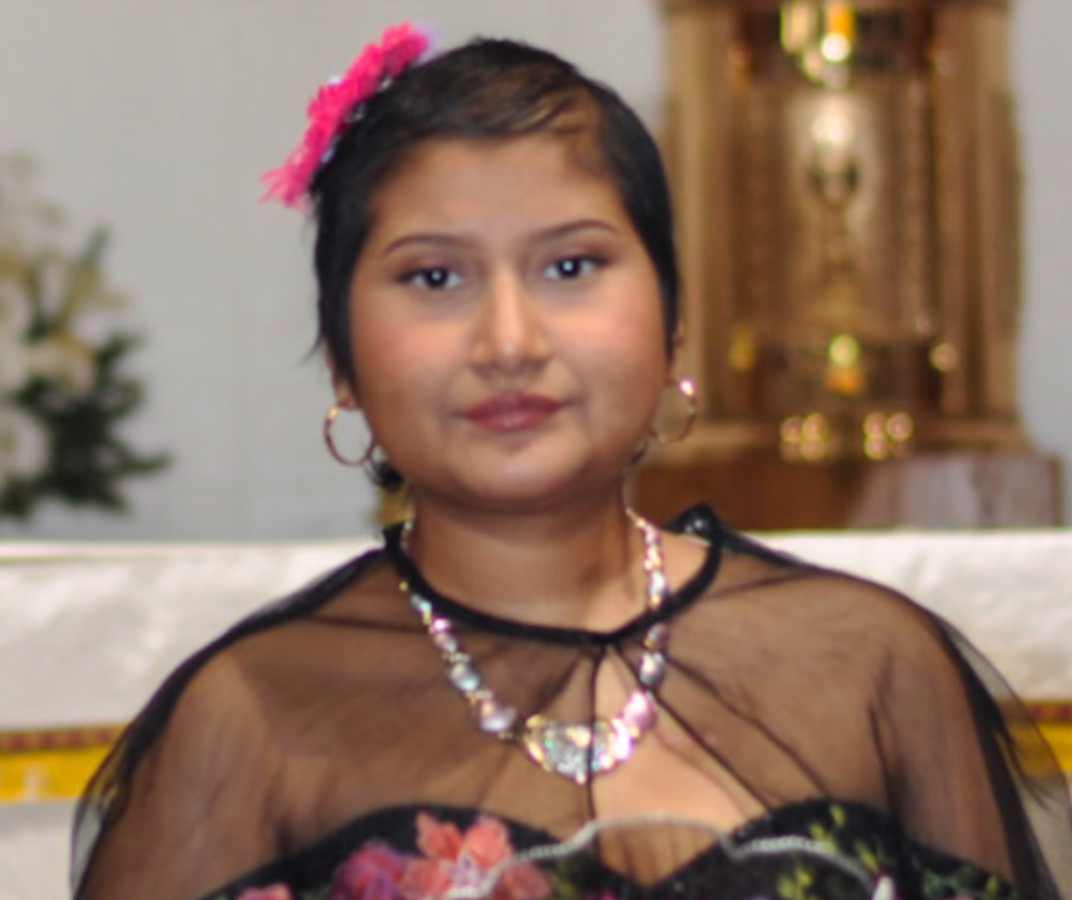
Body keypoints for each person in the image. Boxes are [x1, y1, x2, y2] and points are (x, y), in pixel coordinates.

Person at [70, 24, 1072, 900]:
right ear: (342, 360)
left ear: (674, 323)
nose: (509, 340)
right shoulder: (252, 720)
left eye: (570, 265)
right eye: (434, 277)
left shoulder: (869, 669)